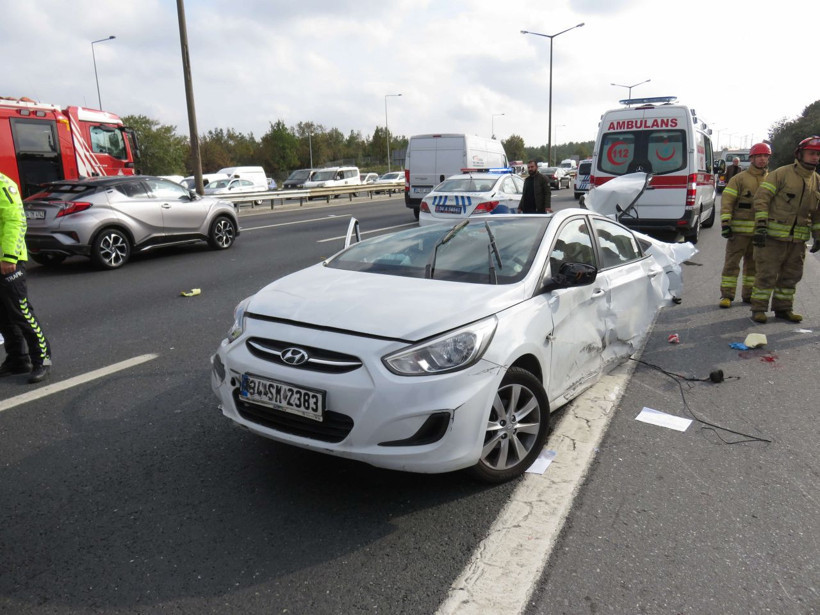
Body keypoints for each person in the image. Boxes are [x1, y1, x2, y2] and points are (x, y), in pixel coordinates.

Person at [749, 136, 820, 323]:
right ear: (800, 153)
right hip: (772, 237)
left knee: (791, 277)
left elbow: (818, 212)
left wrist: (818, 235)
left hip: (797, 241)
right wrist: (761, 224)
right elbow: (761, 198)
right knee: (766, 274)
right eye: (811, 153)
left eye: (818, 154)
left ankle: (783, 309)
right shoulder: (781, 174)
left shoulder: (817, 180)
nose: (815, 157)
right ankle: (758, 309)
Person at [0, 173, 52, 383]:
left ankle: (42, 359)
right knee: (3, 316)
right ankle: (18, 360)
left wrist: (9, 256)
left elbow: (16, 220)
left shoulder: (3, 184)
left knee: (21, 312)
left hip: (7, 262)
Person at [718, 143, 771, 308]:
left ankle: (748, 295)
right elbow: (727, 201)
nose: (762, 159)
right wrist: (726, 223)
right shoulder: (739, 179)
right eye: (759, 156)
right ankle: (726, 296)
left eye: (765, 156)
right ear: (752, 158)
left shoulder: (772, 179)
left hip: (760, 232)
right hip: (738, 233)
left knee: (753, 267)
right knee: (732, 265)